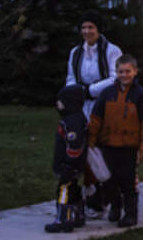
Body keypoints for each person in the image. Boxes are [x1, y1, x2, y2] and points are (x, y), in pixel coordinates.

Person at [88, 55, 143, 228]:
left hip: (129, 146)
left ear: (135, 71)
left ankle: (131, 214)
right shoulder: (107, 93)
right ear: (115, 72)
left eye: (128, 71)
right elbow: (96, 117)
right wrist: (92, 138)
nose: (124, 75)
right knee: (109, 180)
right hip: (107, 144)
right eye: (120, 71)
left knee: (128, 181)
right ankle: (115, 208)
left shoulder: (141, 94)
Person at [65, 17, 122, 212]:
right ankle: (91, 191)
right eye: (83, 27)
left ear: (98, 29)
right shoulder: (76, 52)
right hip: (82, 107)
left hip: (104, 104)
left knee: (103, 149)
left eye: (91, 27)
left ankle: (111, 192)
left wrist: (91, 90)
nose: (87, 31)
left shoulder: (111, 50)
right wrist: (75, 94)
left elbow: (116, 78)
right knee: (85, 149)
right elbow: (71, 78)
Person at [44, 84, 89, 233]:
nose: (57, 103)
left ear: (70, 102)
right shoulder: (74, 118)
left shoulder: (72, 122)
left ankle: (63, 219)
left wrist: (69, 165)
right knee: (74, 188)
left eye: (60, 100)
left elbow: (75, 146)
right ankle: (78, 215)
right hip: (73, 165)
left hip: (70, 165)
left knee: (64, 190)